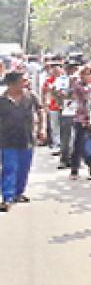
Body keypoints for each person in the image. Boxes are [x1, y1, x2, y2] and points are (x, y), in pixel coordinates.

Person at [1, 71, 43, 212]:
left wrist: (42, 129)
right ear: (11, 84)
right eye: (22, 81)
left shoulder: (30, 96)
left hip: (27, 138)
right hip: (7, 139)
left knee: (24, 168)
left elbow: (40, 110)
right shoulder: (2, 100)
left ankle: (19, 192)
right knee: (9, 168)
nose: (25, 83)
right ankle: (7, 197)